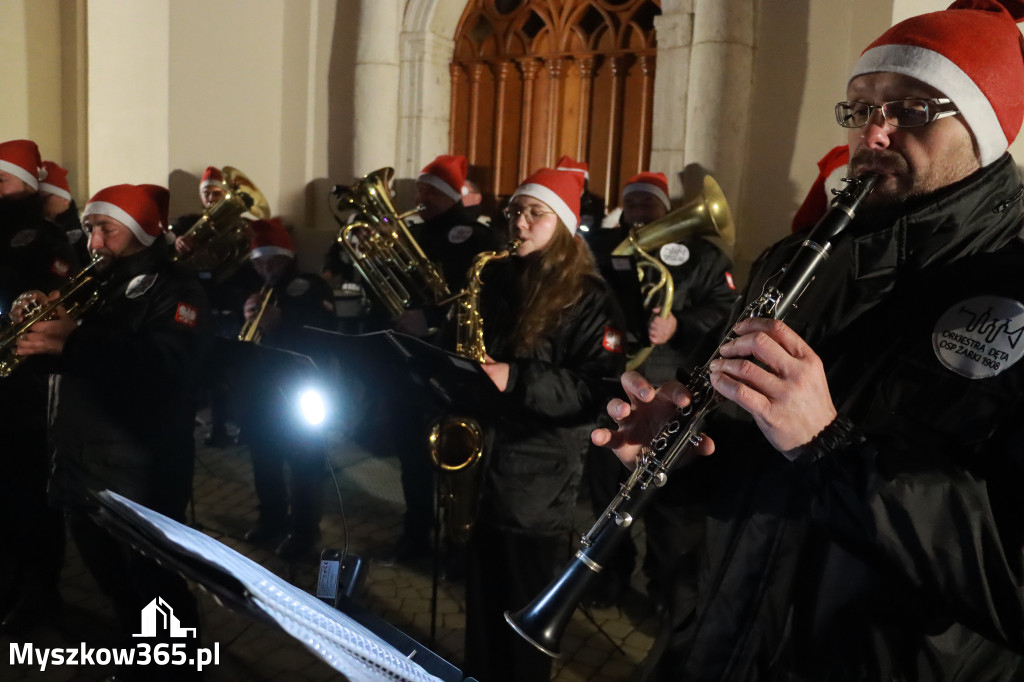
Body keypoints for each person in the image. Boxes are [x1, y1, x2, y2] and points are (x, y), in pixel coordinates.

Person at [592, 1, 1024, 679]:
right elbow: (749, 473)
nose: (873, 133)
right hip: (722, 646)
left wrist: (830, 447)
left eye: (911, 109)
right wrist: (679, 454)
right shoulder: (793, 261)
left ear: (986, 129)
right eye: (860, 109)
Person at [13, 183, 210, 677]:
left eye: (107, 229)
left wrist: (72, 339)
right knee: (109, 574)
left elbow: (164, 367)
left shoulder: (177, 287)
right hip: (82, 457)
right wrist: (37, 333)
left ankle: (175, 666)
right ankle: (137, 654)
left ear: (142, 230)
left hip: (142, 464)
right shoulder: (96, 280)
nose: (94, 242)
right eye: (90, 229)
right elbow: (67, 366)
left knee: (154, 579)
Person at [463, 167, 626, 682]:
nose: (520, 223)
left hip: (538, 482)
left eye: (535, 213)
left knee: (523, 619)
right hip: (484, 467)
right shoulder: (498, 276)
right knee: (482, 609)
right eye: (515, 211)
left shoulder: (589, 296)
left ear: (562, 223)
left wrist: (516, 378)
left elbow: (593, 391)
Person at [584, 170, 738, 610]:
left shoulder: (704, 255)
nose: (638, 212)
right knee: (605, 493)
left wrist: (678, 325)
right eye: (631, 204)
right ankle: (606, 578)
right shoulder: (606, 249)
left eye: (647, 204)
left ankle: (667, 591)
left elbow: (727, 308)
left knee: (671, 503)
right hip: (615, 385)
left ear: (666, 209)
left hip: (674, 392)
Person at [0, 139, 80, 636]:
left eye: (1, 180)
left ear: (27, 186)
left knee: (28, 495)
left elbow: (52, 303)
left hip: (24, 386)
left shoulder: (45, 240)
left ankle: (40, 591)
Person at [235, 217, 336, 560]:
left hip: (301, 386)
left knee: (305, 461)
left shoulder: (308, 284)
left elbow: (324, 324)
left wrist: (284, 319)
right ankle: (272, 518)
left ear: (288, 257)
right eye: (259, 262)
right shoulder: (257, 290)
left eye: (273, 260)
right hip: (262, 387)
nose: (266, 268)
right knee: (264, 456)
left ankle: (305, 530)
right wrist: (246, 314)